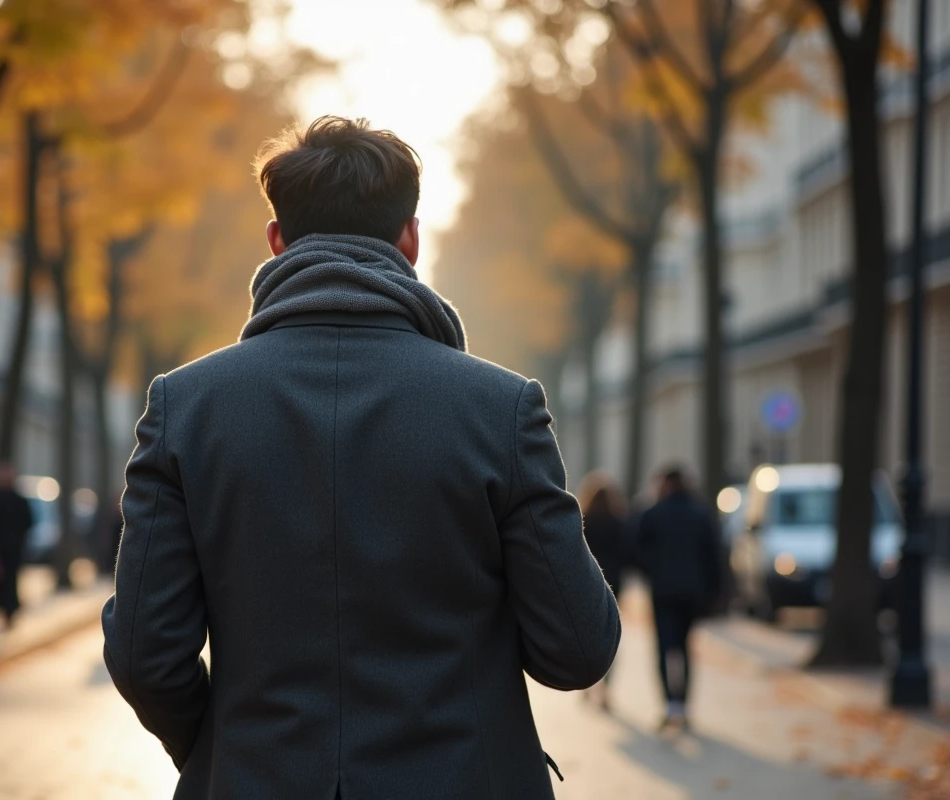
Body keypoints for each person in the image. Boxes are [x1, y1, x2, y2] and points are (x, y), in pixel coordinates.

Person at [103, 116, 620, 799]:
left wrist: (219, 745)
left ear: (277, 241)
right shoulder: (501, 409)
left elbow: (144, 656)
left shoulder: (185, 408)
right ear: (410, 239)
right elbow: (579, 650)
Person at [634, 465, 723, 732]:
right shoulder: (701, 513)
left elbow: (636, 550)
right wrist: (713, 590)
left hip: (662, 591)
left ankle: (669, 704)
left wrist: (653, 570)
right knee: (685, 647)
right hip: (693, 593)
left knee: (663, 647)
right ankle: (683, 703)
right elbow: (714, 555)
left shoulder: (652, 513)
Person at [578, 471, 629, 710]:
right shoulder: (620, 521)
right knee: (609, 636)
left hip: (587, 582)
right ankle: (606, 689)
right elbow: (628, 553)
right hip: (613, 584)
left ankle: (587, 685)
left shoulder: (583, 518)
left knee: (587, 635)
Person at [0, 463, 32, 627]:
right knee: (5, 579)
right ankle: (6, 607)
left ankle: (7, 608)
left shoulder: (0, 498)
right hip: (7, 547)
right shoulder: (10, 499)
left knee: (8, 579)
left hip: (8, 547)